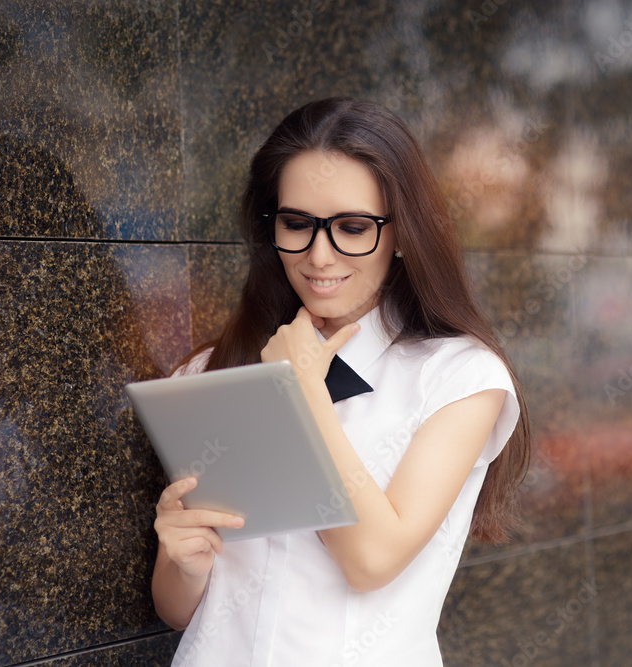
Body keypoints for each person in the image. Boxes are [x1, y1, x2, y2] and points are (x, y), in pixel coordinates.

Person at [151, 97, 531, 666]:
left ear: (402, 233)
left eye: (353, 228)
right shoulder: (211, 372)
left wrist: (301, 393)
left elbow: (372, 560)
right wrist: (182, 562)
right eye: (296, 224)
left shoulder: (459, 377)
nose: (319, 256)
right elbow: (177, 611)